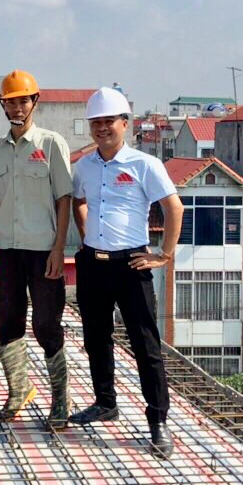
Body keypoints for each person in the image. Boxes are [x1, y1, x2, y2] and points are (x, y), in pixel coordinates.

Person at [68, 86, 183, 458]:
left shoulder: (144, 164)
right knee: (96, 337)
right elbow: (78, 201)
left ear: (124, 123)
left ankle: (158, 420)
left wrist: (165, 254)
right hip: (93, 263)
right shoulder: (85, 166)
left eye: (109, 122)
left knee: (145, 344)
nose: (102, 128)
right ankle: (105, 402)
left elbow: (173, 207)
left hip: (132, 264)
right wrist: (86, 235)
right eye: (96, 123)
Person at [0, 70, 73, 430]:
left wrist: (58, 249)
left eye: (23, 100)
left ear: (35, 101)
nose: (17, 107)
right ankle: (19, 389)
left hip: (42, 251)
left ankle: (61, 399)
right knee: (9, 322)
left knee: (46, 325)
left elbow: (63, 200)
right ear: (2, 105)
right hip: (9, 250)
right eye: (10, 101)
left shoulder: (51, 144)